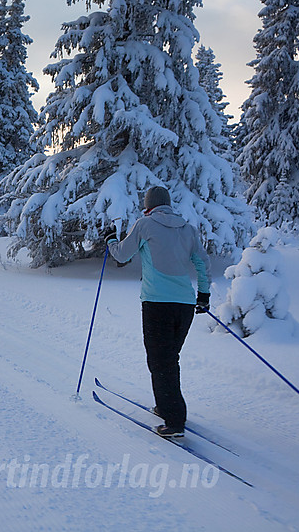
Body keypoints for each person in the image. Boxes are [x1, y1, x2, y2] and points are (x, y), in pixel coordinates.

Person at [106, 186, 211, 438]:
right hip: (184, 305)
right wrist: (204, 296)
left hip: (157, 304)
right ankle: (166, 405)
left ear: (148, 205)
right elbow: (202, 263)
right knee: (168, 358)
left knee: (160, 361)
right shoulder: (187, 229)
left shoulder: (144, 224)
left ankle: (174, 420)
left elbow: (122, 254)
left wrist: (110, 240)